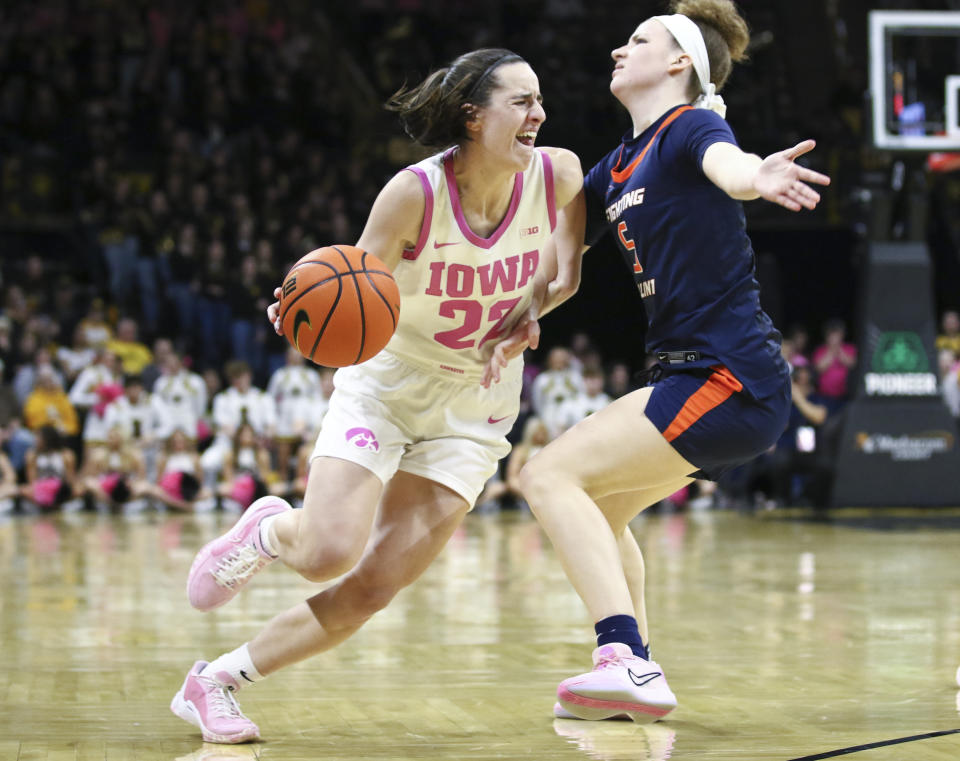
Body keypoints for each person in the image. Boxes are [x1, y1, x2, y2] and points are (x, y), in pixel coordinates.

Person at [170, 47, 584, 744]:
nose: (538, 114)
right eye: (521, 102)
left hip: (475, 408)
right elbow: (354, 287)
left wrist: (538, 303)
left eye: (540, 100)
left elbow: (568, 266)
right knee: (330, 550)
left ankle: (215, 682)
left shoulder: (559, 174)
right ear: (472, 116)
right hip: (388, 388)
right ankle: (273, 529)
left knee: (372, 587)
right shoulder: (414, 194)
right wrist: (305, 308)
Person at [484, 0, 830, 723]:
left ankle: (624, 658)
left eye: (636, 40)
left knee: (543, 472)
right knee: (602, 508)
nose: (618, 49)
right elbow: (562, 269)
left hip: (728, 376)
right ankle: (637, 678)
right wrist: (520, 312)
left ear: (678, 63)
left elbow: (727, 167)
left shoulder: (691, 127)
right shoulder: (617, 165)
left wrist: (755, 177)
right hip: (691, 377)